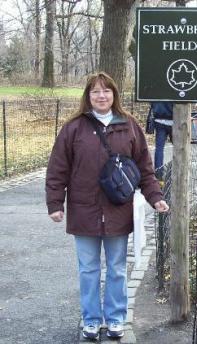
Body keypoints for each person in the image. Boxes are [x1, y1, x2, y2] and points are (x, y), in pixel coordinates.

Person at [45, 72, 169, 341]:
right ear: (87, 97)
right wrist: (55, 203)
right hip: (83, 209)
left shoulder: (130, 126)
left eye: (106, 91)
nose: (101, 96)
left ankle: (115, 319)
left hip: (118, 210)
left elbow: (145, 170)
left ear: (114, 94)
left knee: (116, 268)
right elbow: (57, 168)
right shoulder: (74, 128)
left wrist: (155, 196)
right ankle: (90, 319)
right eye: (95, 92)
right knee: (88, 269)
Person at [148, 102, 173, 179]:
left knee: (159, 149)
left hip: (159, 119)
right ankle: (177, 172)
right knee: (179, 149)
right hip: (174, 119)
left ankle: (158, 175)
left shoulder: (157, 90)